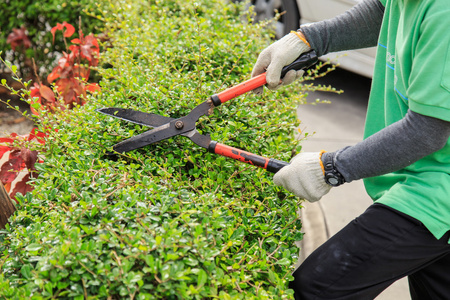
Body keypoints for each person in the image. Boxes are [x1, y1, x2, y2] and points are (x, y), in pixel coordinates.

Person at [251, 0, 450, 299]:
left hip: (435, 192)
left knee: (317, 290)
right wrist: (308, 40)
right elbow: (383, 10)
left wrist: (331, 168)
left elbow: (426, 132)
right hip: (422, 179)